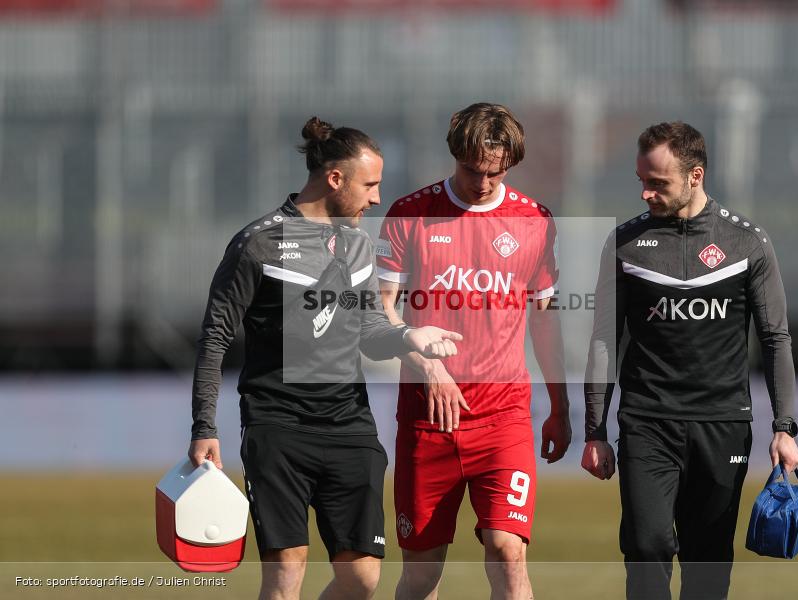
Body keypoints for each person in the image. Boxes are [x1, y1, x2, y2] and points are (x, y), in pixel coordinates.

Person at [188, 116, 462, 600]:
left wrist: (410, 337)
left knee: (363, 577)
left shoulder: (357, 246)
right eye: (370, 185)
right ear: (335, 179)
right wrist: (204, 427)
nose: (376, 198)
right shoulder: (258, 243)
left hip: (349, 425)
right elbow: (214, 337)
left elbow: (370, 333)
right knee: (285, 573)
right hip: (277, 426)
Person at [582, 121, 798, 600]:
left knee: (708, 560)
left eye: (657, 183)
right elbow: (602, 339)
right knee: (646, 546)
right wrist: (595, 431)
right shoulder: (622, 244)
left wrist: (784, 427)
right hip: (647, 423)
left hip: (722, 424)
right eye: (641, 180)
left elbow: (775, 337)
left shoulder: (748, 243)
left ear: (695, 176)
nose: (645, 193)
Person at [377, 102, 572, 600]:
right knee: (422, 575)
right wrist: (427, 365)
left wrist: (560, 405)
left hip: (503, 418)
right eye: (471, 169)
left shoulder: (534, 221)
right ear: (454, 154)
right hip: (427, 417)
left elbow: (545, 322)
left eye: (496, 172)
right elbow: (380, 314)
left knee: (508, 552)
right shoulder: (409, 215)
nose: (483, 182)